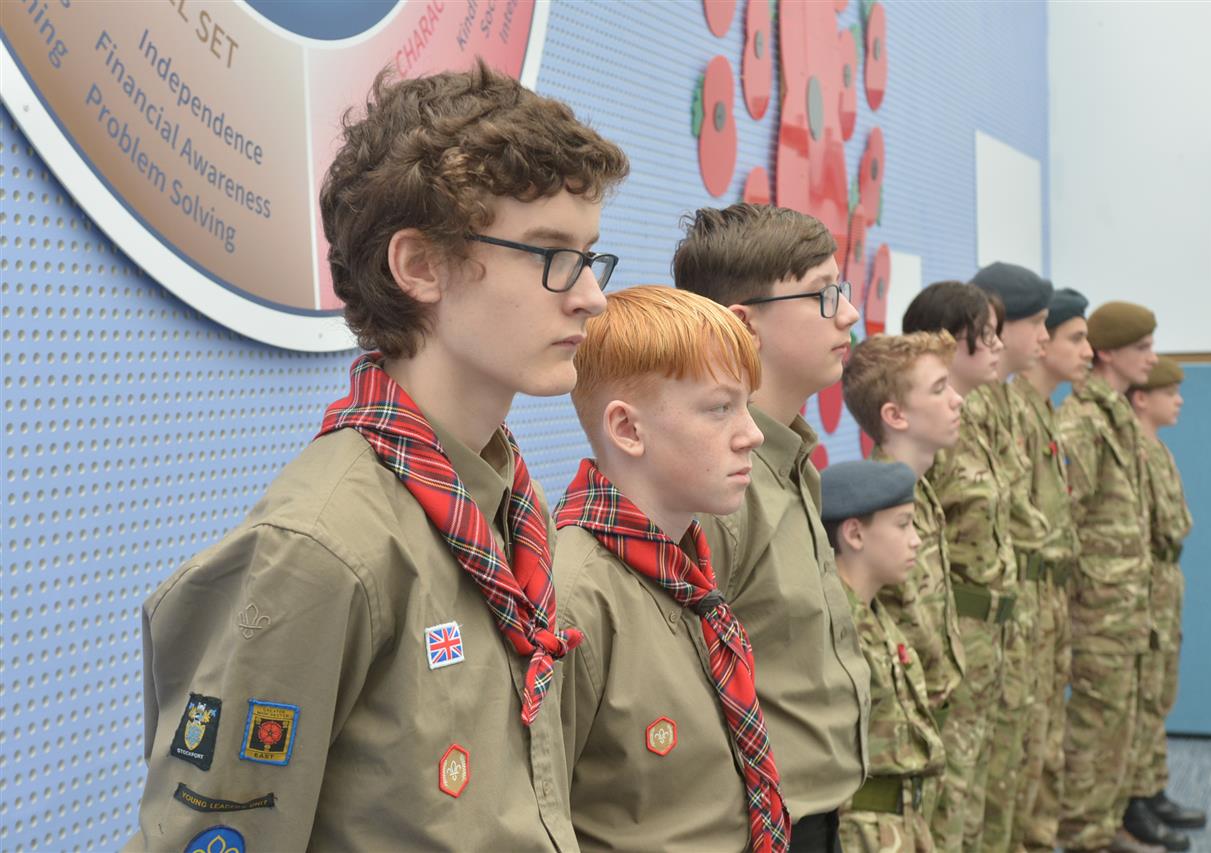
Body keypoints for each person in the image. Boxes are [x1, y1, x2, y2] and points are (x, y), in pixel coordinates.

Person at [126, 63, 629, 851]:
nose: (591, 297)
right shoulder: (322, 551)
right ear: (420, 266)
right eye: (549, 253)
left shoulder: (505, 509)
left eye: (589, 255)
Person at [553, 285, 788, 851]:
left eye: (747, 405)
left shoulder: (687, 569)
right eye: (719, 408)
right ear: (628, 429)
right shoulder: (574, 596)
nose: (752, 434)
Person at [674, 203, 871, 853]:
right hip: (763, 824)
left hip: (813, 808)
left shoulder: (788, 457)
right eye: (822, 294)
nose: (848, 313)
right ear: (743, 323)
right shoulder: (719, 487)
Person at [901, 280, 1015, 852]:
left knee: (984, 781)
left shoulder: (971, 422)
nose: (998, 347)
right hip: (952, 636)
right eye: (984, 335)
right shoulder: (932, 438)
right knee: (952, 796)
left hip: (986, 632)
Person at [841, 331, 966, 820]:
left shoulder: (919, 495)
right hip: (909, 734)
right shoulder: (874, 516)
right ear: (895, 416)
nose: (957, 401)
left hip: (941, 717)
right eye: (939, 389)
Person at [1057, 302, 1163, 853]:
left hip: (1124, 605)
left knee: (1117, 724)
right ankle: (1083, 837)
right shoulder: (1082, 422)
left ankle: (1104, 828)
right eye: (1142, 348)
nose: (1153, 358)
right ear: (1109, 353)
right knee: (1094, 729)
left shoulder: (1115, 415)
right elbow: (1067, 519)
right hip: (1096, 609)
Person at [969, 263, 1055, 852]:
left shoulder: (1006, 404)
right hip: (978, 627)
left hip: (1016, 613)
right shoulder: (969, 409)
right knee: (980, 786)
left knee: (1017, 761)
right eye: (1041, 325)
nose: (1044, 339)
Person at [821, 460, 945, 853]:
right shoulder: (833, 628)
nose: (916, 539)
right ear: (854, 533)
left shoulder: (873, 614)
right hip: (858, 834)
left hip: (896, 828)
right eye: (903, 524)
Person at [1011, 287, 1091, 852]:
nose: (1088, 350)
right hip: (1023, 603)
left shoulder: (1045, 413)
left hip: (1051, 600)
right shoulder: (1012, 411)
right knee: (1020, 751)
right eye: (1076, 337)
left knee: (1045, 741)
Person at [1127, 356, 1207, 842]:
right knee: (1138, 696)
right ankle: (1133, 797)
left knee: (1157, 692)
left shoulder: (1156, 449)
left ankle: (1151, 788)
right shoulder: (1135, 450)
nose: (1178, 401)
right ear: (1141, 398)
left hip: (1163, 582)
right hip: (1143, 584)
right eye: (1168, 392)